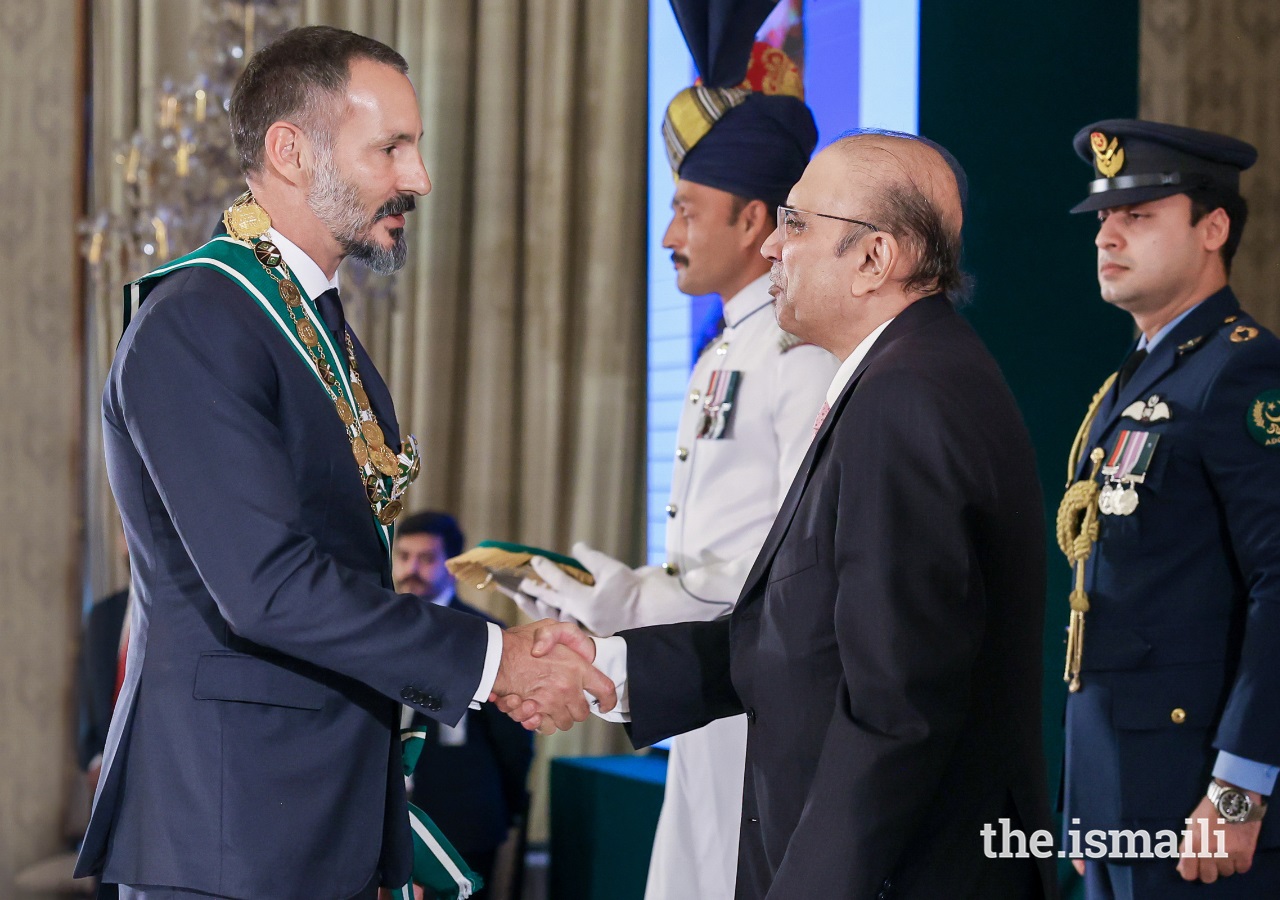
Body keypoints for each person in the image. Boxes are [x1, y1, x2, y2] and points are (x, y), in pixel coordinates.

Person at [73, 26, 613, 900]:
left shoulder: (314, 332)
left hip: (310, 820)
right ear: (291, 151)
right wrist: (492, 660)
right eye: (391, 148)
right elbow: (272, 588)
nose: (418, 179)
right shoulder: (199, 322)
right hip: (231, 836)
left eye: (418, 148)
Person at [507, 130, 1056, 899]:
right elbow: (804, 629)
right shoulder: (900, 377)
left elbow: (897, 708)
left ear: (874, 260)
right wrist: (614, 666)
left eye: (796, 224)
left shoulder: (907, 397)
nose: (771, 248)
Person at [510, 28, 837, 900]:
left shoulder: (798, 356)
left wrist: (623, 613)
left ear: (756, 220)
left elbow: (787, 574)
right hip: (703, 701)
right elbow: (710, 566)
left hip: (759, 707)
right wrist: (597, 595)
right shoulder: (731, 344)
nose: (668, 234)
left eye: (690, 208)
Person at [1057, 119, 1280, 898]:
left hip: (1199, 807)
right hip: (1117, 793)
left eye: (1140, 216)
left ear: (1213, 227)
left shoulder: (1242, 369)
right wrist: (1083, 801)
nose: (1107, 236)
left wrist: (1238, 791)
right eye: (1103, 219)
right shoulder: (1141, 375)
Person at [392, 512, 534, 897]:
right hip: (381, 815)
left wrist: (507, 804)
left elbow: (514, 741)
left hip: (463, 817)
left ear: (451, 565)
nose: (411, 569)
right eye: (403, 556)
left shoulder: (484, 636)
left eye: (426, 558)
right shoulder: (372, 628)